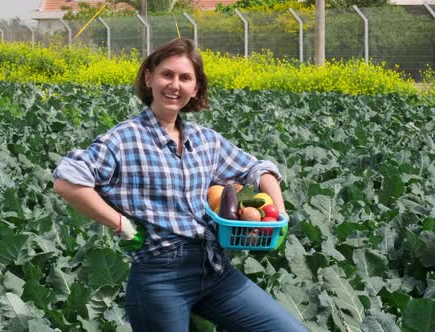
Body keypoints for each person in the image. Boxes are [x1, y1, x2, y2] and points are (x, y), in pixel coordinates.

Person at [53, 38, 307, 332]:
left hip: (214, 269)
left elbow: (259, 169)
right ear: (149, 77)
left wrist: (278, 211)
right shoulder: (123, 139)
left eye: (185, 78)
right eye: (167, 74)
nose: (175, 85)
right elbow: (67, 181)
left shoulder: (204, 140)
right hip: (160, 278)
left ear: (195, 88)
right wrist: (123, 225)